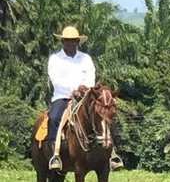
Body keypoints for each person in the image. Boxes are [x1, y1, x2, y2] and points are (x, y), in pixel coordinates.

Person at [47, 25, 124, 172]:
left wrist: (85, 89)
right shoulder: (55, 59)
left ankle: (112, 153)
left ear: (78, 42)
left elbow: (91, 77)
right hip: (63, 96)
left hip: (85, 96)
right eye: (68, 41)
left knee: (103, 115)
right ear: (62, 41)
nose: (71, 43)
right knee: (54, 118)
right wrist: (73, 90)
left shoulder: (85, 59)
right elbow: (55, 80)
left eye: (73, 41)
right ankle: (54, 154)